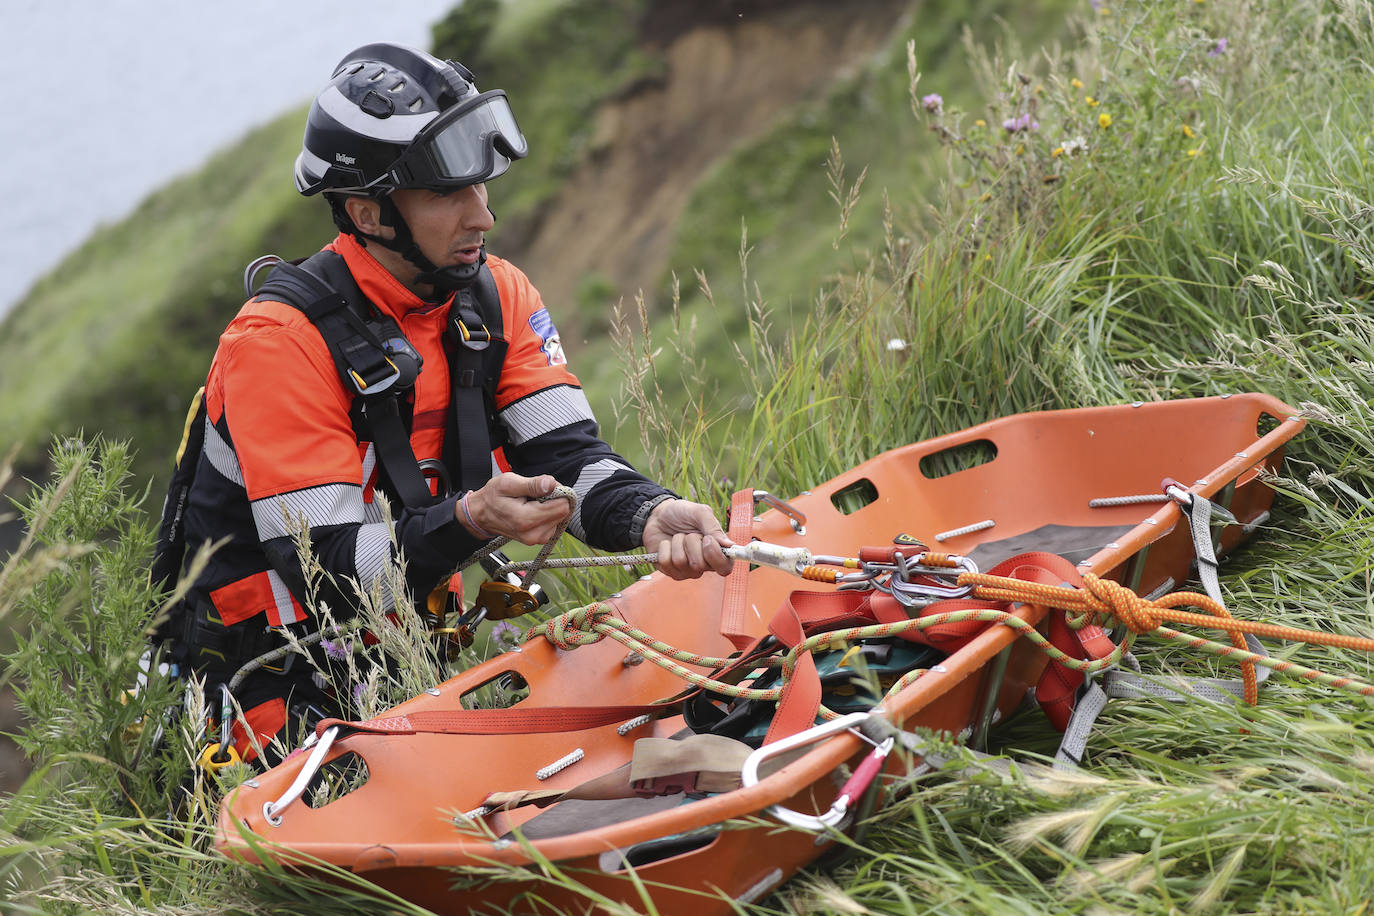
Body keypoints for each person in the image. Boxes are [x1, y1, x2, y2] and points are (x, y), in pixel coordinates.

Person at [167, 42, 732, 767]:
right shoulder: (278, 345)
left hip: (413, 651)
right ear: (369, 214)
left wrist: (648, 512)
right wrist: (471, 520)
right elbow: (330, 571)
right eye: (446, 194)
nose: (483, 216)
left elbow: (567, 459)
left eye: (482, 188)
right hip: (271, 688)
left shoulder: (497, 295)